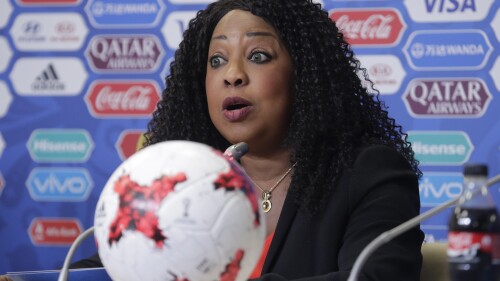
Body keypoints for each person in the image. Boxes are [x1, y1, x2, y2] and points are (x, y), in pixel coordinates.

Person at [1, 0, 424, 280]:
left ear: (306, 77)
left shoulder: (367, 171)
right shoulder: (180, 176)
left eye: (258, 56)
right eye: (216, 60)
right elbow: (119, 265)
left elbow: (372, 276)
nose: (231, 74)